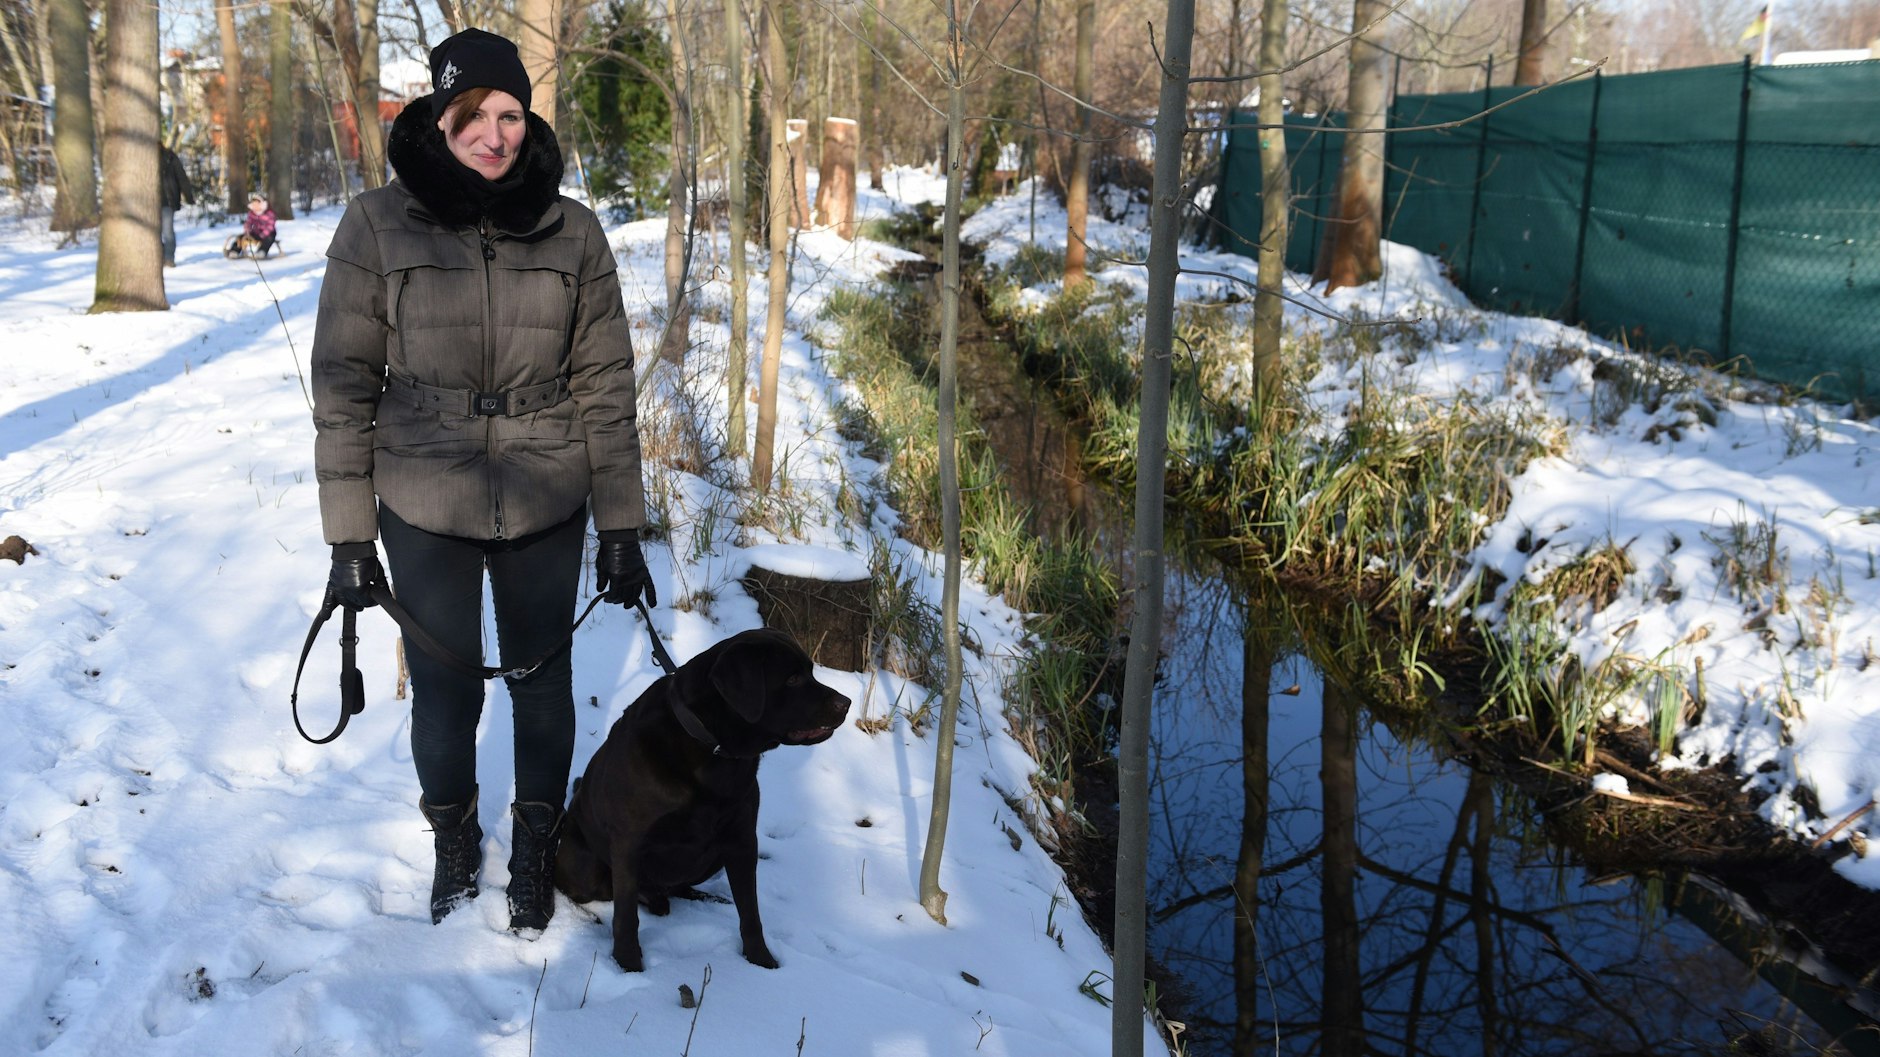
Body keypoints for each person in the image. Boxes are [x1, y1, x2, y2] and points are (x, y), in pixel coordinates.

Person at [309, 27, 654, 934]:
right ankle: (453, 836)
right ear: (440, 113)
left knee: (543, 680)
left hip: (548, 487)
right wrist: (349, 535)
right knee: (447, 685)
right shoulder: (376, 226)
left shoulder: (572, 230)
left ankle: (536, 846)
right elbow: (344, 386)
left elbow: (607, 388)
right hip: (423, 491)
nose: (496, 135)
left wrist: (620, 522)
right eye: (475, 115)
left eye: (511, 114)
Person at [158, 145, 194, 267]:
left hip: (167, 200)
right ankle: (160, 256)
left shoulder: (170, 157)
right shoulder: (143, 157)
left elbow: (181, 177)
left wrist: (188, 196)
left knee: (167, 231)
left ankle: (169, 258)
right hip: (150, 203)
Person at [227, 193, 278, 258]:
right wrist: (247, 229)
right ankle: (234, 251)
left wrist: (263, 235)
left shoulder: (270, 213)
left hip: (268, 234)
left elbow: (270, 226)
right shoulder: (252, 213)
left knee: (269, 239)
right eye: (253, 204)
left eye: (257, 204)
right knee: (241, 237)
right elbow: (248, 222)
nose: (255, 206)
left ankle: (262, 252)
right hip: (256, 233)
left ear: (262, 204)